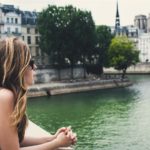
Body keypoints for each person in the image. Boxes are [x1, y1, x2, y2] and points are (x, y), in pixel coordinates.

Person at [0, 37, 77, 150]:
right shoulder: (5, 96)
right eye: (31, 63)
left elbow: (16, 141)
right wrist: (57, 144)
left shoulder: (8, 94)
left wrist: (53, 138)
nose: (35, 67)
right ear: (18, 67)